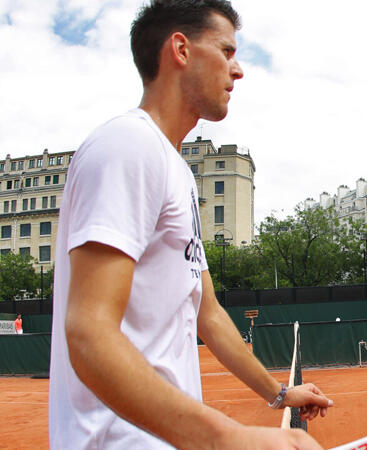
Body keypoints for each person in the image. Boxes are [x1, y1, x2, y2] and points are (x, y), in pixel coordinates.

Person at [49, 2, 330, 449]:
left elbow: (208, 313)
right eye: (226, 50)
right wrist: (230, 439)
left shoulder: (175, 169)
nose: (237, 71)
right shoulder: (127, 145)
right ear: (180, 49)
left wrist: (279, 394)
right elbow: (88, 332)